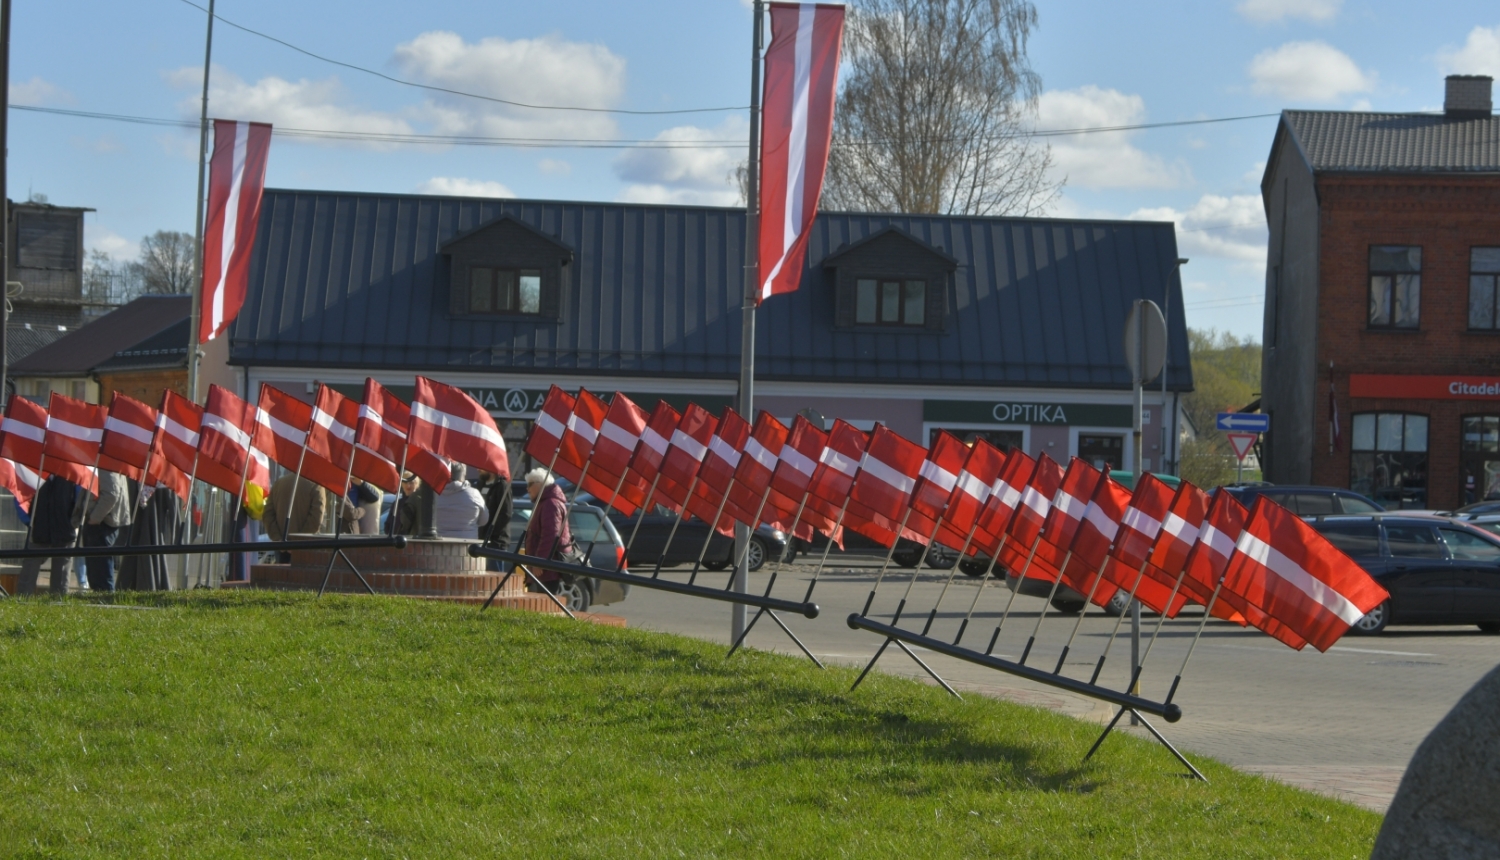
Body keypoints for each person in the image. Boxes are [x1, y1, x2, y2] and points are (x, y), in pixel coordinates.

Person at [18, 475, 80, 596]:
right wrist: (29, 521)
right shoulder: (34, 471)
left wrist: (73, 522)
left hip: (65, 530)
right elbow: (19, 497)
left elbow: (80, 498)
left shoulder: (71, 474)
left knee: (61, 577)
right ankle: (22, 603)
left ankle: (58, 605)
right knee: (29, 572)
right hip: (38, 529)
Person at [72, 468, 131, 592]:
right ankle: (101, 601)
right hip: (99, 523)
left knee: (101, 575)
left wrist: (94, 518)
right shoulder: (104, 463)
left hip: (102, 524)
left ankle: (106, 602)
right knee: (97, 574)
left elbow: (111, 495)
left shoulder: (106, 465)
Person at [523, 468, 573, 591]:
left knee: (543, 606)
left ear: (540, 484)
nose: (527, 489)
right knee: (538, 606)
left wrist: (540, 561)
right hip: (543, 569)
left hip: (546, 570)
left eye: (530, 484)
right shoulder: (545, 502)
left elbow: (550, 536)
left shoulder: (550, 504)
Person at [262, 474, 327, 562]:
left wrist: (278, 539)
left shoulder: (279, 483)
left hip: (282, 548)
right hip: (306, 548)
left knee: (282, 574)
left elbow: (267, 515)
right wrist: (298, 542)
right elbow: (316, 519)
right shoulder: (316, 485)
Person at [434, 462, 487, 539]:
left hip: (440, 543)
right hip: (468, 544)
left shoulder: (435, 495)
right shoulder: (474, 494)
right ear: (463, 474)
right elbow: (484, 520)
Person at [474, 469, 514, 569]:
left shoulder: (502, 486)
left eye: (481, 467)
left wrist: (491, 531)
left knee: (495, 578)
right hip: (480, 540)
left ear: (490, 468)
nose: (478, 469)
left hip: (495, 542)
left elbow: (506, 513)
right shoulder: (480, 485)